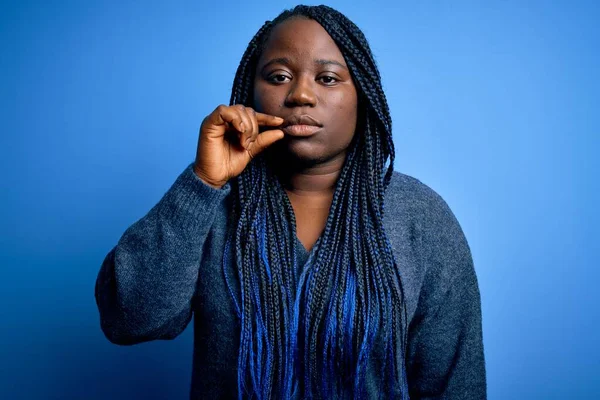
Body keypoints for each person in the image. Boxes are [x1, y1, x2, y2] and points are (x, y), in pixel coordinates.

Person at [95, 4, 486, 399]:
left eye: (328, 77)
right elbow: (129, 319)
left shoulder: (419, 217)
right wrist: (203, 181)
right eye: (279, 76)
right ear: (250, 94)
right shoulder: (213, 207)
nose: (300, 94)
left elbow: (454, 385)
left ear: (362, 96)